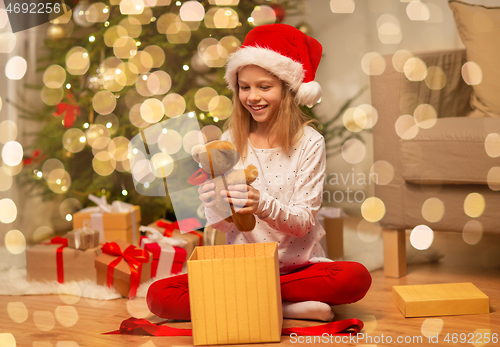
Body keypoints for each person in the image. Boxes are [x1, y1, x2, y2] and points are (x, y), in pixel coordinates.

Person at [147, 23, 371, 322]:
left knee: (354, 277)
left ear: (288, 89)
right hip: (242, 268)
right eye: (244, 87)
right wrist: (214, 205)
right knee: (159, 296)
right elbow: (226, 227)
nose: (253, 97)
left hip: (297, 268)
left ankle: (254, 305)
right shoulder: (228, 141)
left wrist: (261, 204)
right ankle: (286, 308)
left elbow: (303, 222)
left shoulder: (309, 142)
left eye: (264, 87)